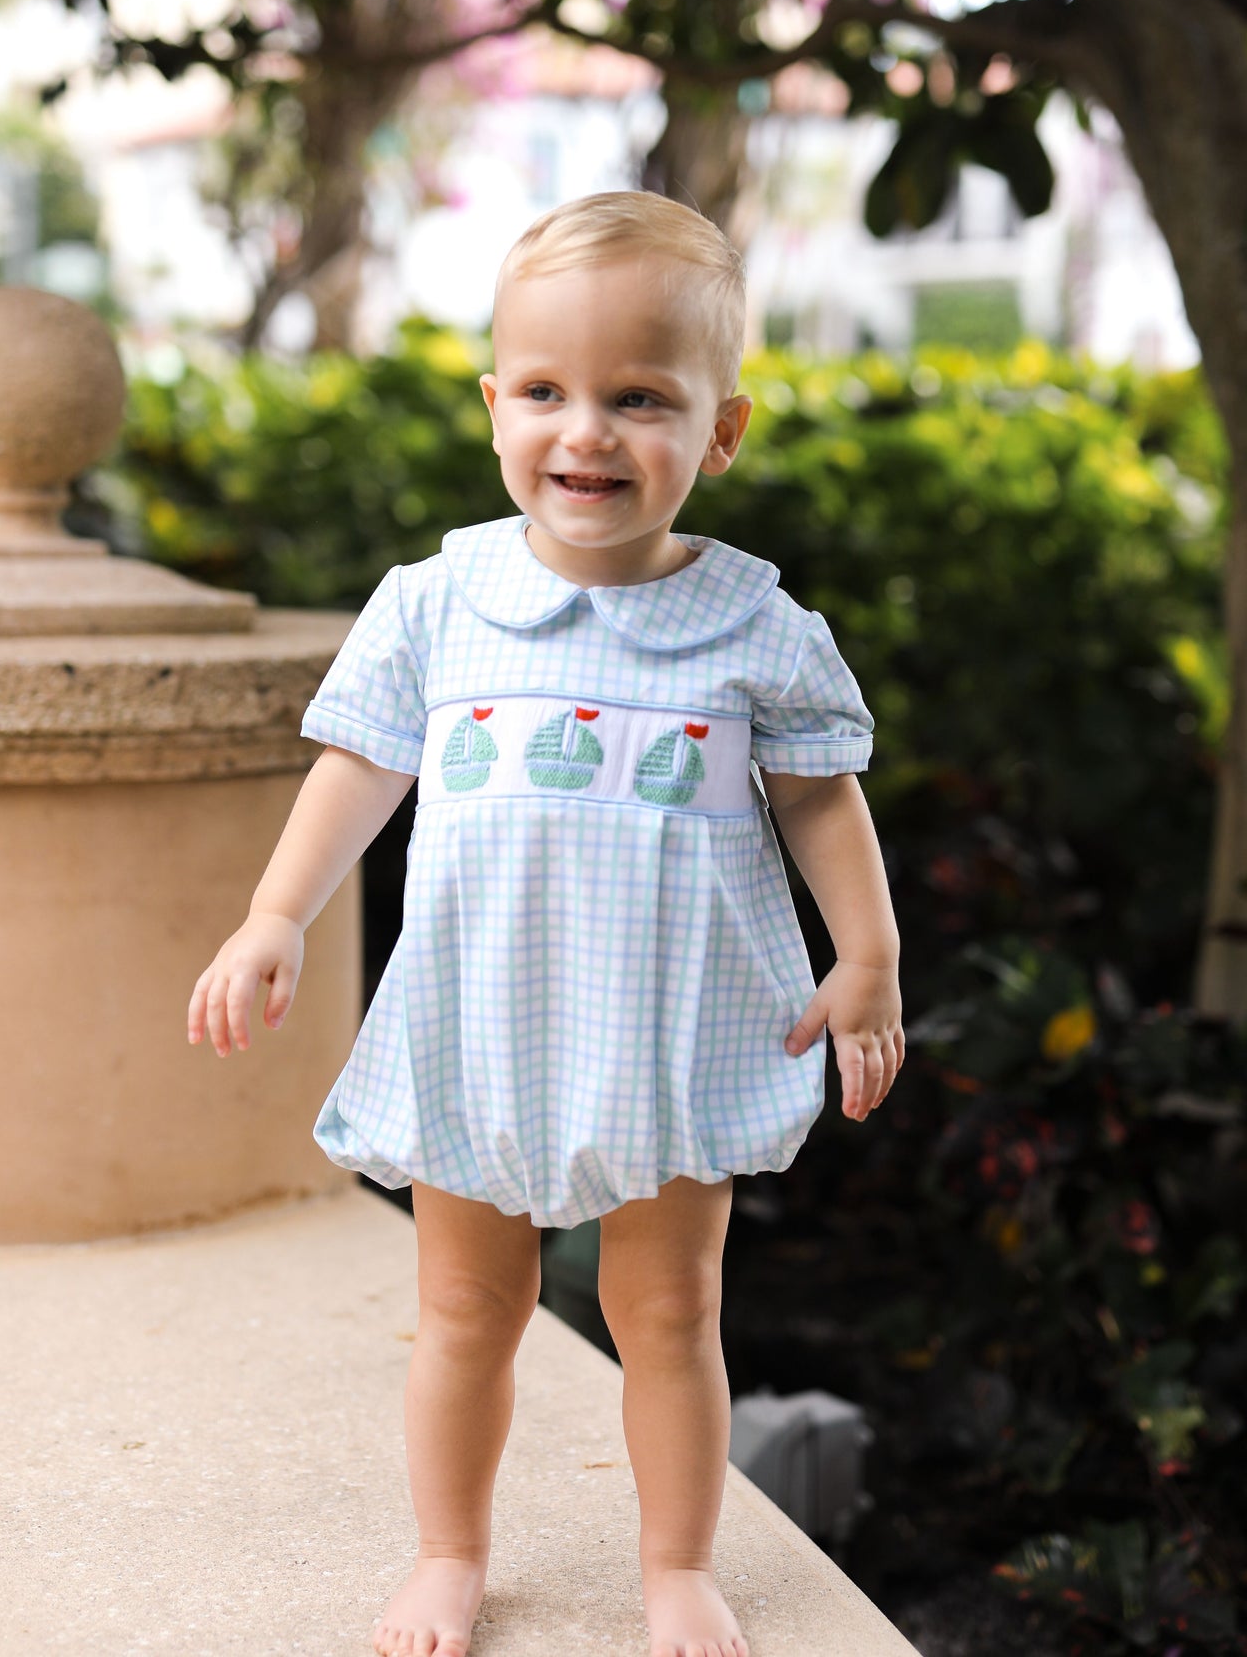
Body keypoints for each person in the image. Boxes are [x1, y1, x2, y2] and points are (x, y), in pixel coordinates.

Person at [188, 190, 905, 1657]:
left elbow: (819, 803)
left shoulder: (759, 630)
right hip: (482, 1019)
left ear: (720, 431)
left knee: (669, 1316)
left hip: (673, 1028)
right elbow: (359, 768)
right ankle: (450, 1555)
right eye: (545, 392)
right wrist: (275, 915)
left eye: (639, 398)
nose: (584, 432)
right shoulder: (436, 604)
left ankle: (676, 1571)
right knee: (464, 1312)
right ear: (493, 405)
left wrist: (869, 958)